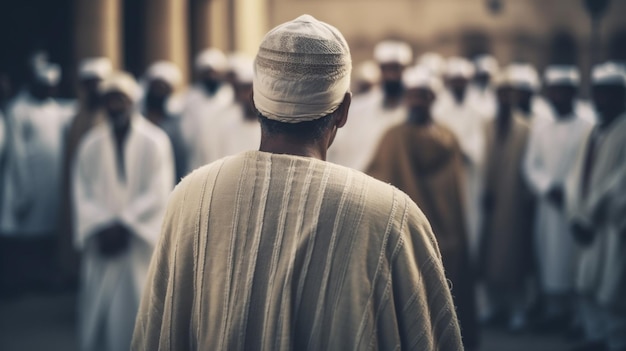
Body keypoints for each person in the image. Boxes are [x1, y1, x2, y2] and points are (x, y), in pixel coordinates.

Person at [132, 15, 463, 351]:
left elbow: (157, 331)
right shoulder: (392, 215)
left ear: (257, 100)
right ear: (343, 110)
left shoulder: (190, 197)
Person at [367, 66, 478, 350]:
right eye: (412, 95)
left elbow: (454, 191)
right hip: (405, 229)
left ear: (432, 98)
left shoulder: (447, 137)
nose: (416, 101)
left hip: (447, 230)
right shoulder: (393, 137)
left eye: (422, 95)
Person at [73, 72, 174, 351]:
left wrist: (126, 225)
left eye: (121, 99)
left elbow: (159, 190)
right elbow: (82, 191)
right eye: (110, 99)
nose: (115, 105)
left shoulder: (155, 141)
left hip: (138, 241)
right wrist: (102, 226)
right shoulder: (90, 144)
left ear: (132, 102)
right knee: (100, 315)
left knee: (139, 308)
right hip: (102, 240)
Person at [523, 65, 594, 329]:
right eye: (553, 92)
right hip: (548, 205)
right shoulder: (541, 127)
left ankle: (579, 317)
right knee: (550, 257)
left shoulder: (587, 125)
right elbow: (531, 165)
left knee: (576, 260)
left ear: (573, 93)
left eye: (563, 92)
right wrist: (547, 187)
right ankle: (554, 313)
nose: (558, 97)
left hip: (577, 204)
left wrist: (568, 189)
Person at [566, 62, 626, 351]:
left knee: (612, 287)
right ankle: (596, 336)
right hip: (587, 221)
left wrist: (590, 213)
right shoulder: (595, 130)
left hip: (612, 224)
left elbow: (619, 183)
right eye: (598, 93)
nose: (601, 100)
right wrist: (576, 213)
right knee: (587, 281)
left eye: (608, 94)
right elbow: (577, 175)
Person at [0, 62, 68, 294]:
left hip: (52, 183)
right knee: (26, 235)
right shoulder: (18, 110)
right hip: (26, 182)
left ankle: (44, 277)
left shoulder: (55, 109)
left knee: (48, 233)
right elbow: (17, 154)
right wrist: (23, 189)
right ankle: (22, 280)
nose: (49, 90)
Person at [479, 71, 534, 332]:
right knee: (491, 255)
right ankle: (495, 306)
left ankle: (518, 310)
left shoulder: (526, 127)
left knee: (514, 256)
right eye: (501, 93)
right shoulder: (488, 125)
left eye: (509, 93)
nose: (505, 98)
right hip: (491, 200)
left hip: (514, 201)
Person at [58, 57, 113, 288]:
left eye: (97, 82)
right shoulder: (76, 116)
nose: (93, 88)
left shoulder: (111, 117)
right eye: (88, 83)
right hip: (81, 188)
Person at [434, 56, 487, 264]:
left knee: (470, 222)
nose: (458, 85)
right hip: (446, 178)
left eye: (461, 81)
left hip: (469, 178)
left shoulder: (479, 112)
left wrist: (459, 149)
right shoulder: (440, 109)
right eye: (454, 80)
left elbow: (478, 148)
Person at [328, 40, 412, 171]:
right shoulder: (359, 108)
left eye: (395, 69)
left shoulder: (414, 111)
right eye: (386, 69)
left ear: (405, 70)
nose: (391, 76)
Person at [182, 48, 234, 171]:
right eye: (207, 72)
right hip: (197, 162)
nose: (211, 76)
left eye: (214, 72)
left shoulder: (229, 97)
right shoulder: (189, 99)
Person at [142, 61, 187, 182]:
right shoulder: (139, 118)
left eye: (163, 87)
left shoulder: (177, 122)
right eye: (156, 86)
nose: (158, 92)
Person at [211, 55, 261, 159]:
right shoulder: (226, 123)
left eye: (252, 89)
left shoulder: (272, 129)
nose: (248, 96)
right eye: (244, 90)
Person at [467, 54, 498, 118]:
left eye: (486, 76)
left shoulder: (495, 93)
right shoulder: (468, 93)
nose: (484, 79)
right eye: (482, 76)